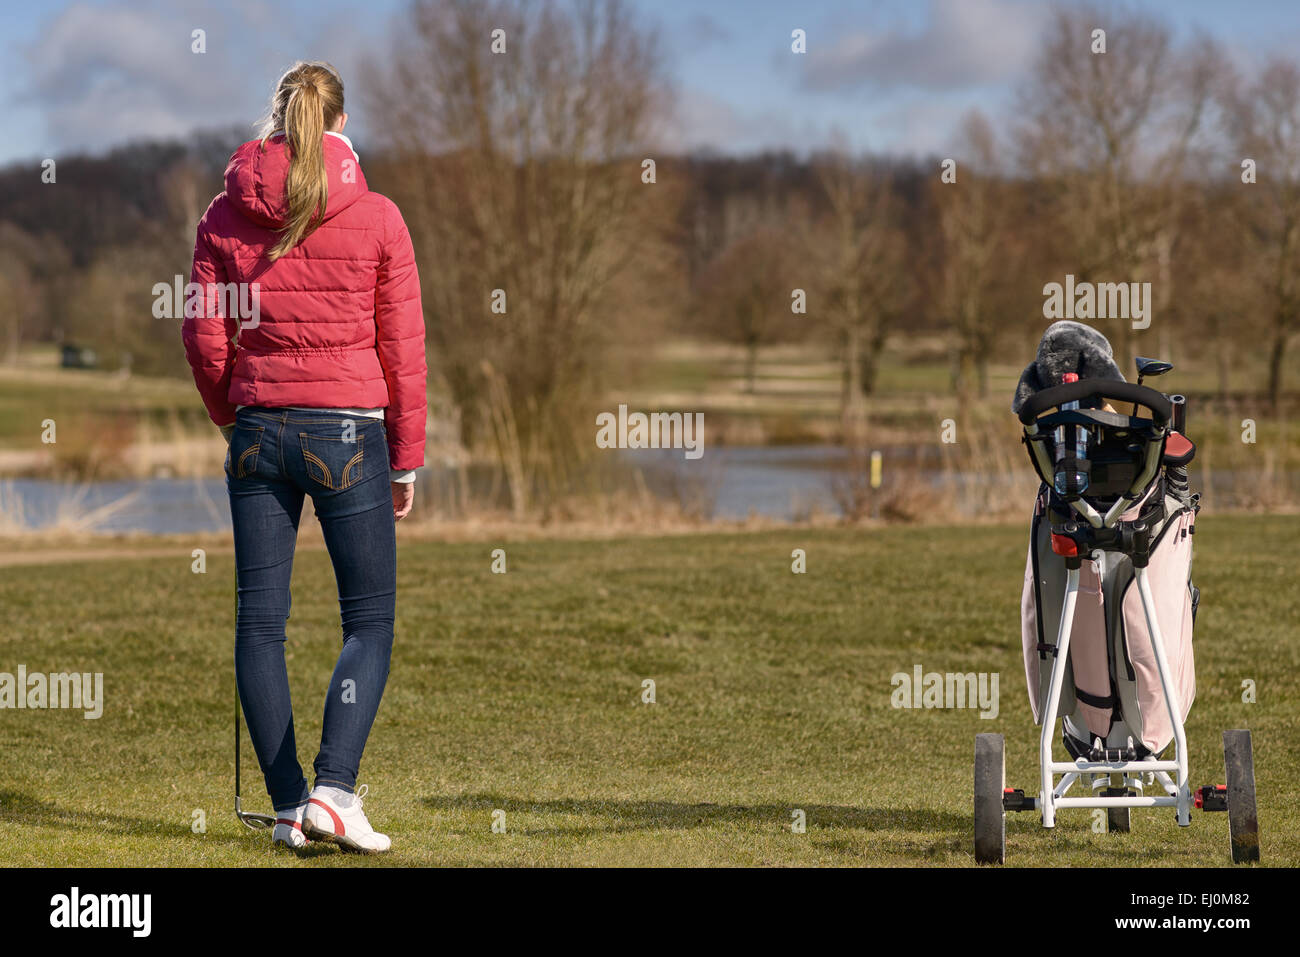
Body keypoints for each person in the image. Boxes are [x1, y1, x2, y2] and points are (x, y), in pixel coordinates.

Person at [181, 61, 426, 853]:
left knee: (260, 625)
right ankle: (333, 791)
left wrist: (234, 414)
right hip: (351, 432)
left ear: (277, 119)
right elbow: (404, 347)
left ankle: (291, 807)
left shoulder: (223, 212)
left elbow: (201, 334)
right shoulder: (381, 216)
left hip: (259, 430)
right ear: (341, 122)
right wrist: (407, 458)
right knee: (371, 619)